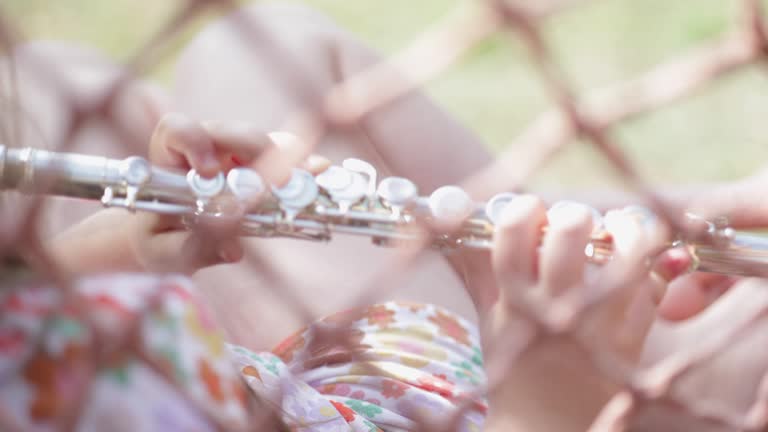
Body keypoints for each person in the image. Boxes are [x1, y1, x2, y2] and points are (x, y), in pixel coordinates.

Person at [3, 2, 767, 431]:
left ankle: (673, 232)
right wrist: (548, 393)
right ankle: (669, 368)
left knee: (82, 73)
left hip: (270, 387)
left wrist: (108, 253)